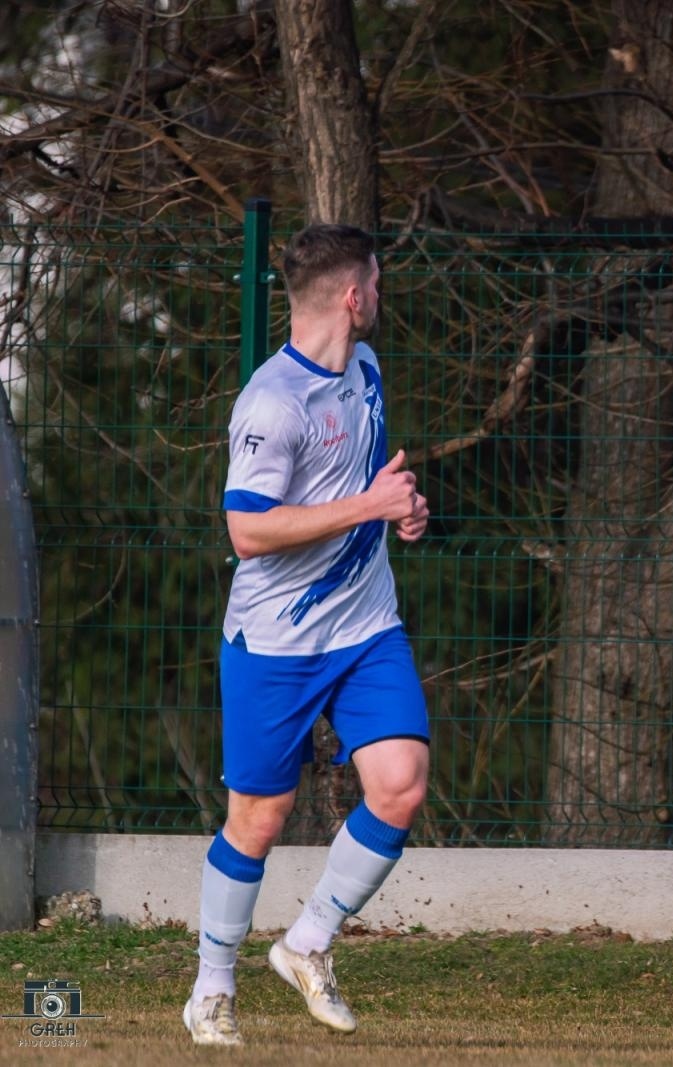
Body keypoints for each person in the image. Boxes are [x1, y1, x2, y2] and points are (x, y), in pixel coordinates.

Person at [183, 223, 432, 1046]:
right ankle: (212, 987)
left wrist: (399, 507)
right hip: (277, 643)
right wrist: (368, 506)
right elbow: (248, 530)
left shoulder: (366, 369)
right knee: (259, 818)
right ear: (353, 296)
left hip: (365, 626)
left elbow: (360, 485)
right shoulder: (271, 402)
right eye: (377, 282)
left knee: (400, 783)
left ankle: (307, 941)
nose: (381, 294)